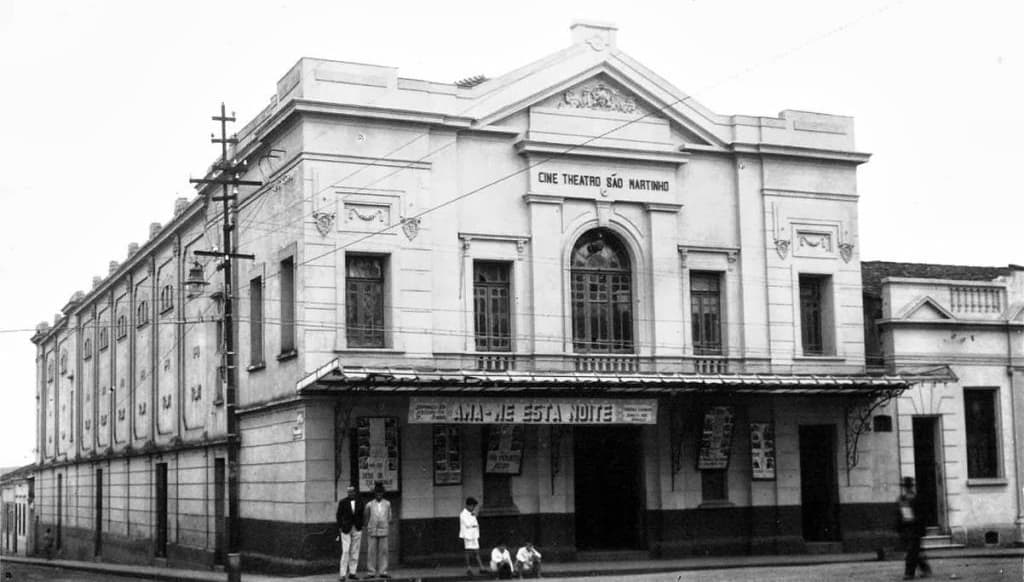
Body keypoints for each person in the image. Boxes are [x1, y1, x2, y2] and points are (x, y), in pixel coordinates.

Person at [896, 477, 931, 580]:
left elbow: (923, 514)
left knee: (911, 552)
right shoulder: (902, 499)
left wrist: (917, 522)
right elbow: (898, 514)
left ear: (911, 487)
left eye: (908, 486)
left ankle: (909, 573)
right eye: (905, 487)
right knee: (916, 551)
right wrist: (899, 527)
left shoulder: (917, 498)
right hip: (906, 529)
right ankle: (925, 569)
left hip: (915, 529)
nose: (907, 489)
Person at [336, 485, 366, 580]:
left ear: (355, 492)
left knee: (355, 550)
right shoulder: (343, 502)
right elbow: (338, 515)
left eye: (352, 491)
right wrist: (340, 526)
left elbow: (362, 514)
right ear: (347, 492)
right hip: (346, 529)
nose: (351, 493)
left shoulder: (360, 502)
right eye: (349, 491)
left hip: (357, 528)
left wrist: (361, 525)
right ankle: (343, 574)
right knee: (345, 551)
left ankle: (352, 572)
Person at [363, 481, 392, 579]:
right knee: (371, 551)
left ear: (383, 493)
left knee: (383, 551)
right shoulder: (369, 504)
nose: (379, 494)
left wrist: (384, 524)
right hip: (372, 530)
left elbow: (389, 517)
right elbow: (366, 517)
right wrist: (369, 526)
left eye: (380, 492)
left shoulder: (387, 504)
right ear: (374, 494)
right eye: (377, 493)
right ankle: (371, 571)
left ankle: (383, 571)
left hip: (383, 530)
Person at [459, 497, 485, 576]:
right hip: (468, 535)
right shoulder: (463, 514)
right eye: (472, 506)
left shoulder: (472, 514)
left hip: (474, 535)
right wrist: (474, 517)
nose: (473, 508)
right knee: (468, 552)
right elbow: (468, 524)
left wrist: (473, 517)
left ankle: (481, 567)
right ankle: (469, 568)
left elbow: (475, 524)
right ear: (468, 505)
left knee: (477, 551)